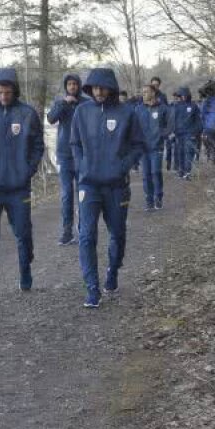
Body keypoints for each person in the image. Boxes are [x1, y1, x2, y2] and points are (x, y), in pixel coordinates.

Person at [70, 67, 145, 308]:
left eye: (103, 88)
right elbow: (74, 143)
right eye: (95, 88)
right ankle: (92, 289)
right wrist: (81, 165)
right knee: (86, 235)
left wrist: (122, 166)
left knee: (118, 233)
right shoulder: (82, 111)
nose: (99, 92)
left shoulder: (127, 113)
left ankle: (113, 271)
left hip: (116, 186)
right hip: (89, 185)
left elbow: (138, 145)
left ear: (111, 88)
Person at [0, 68, 44, 308]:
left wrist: (28, 170)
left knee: (23, 233)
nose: (4, 96)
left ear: (15, 90)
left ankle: (25, 270)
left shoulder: (27, 114)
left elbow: (38, 146)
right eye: (0, 92)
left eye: (8, 92)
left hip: (18, 188)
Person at [46, 72, 90, 245]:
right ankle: (67, 231)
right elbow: (51, 119)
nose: (72, 87)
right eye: (69, 84)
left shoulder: (86, 104)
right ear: (66, 87)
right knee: (66, 194)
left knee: (82, 193)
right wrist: (64, 103)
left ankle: (83, 227)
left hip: (81, 154)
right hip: (64, 154)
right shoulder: (60, 103)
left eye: (75, 84)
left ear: (79, 86)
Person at [136, 85, 172, 210]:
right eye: (142, 92)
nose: (143, 94)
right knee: (146, 175)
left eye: (146, 92)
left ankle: (158, 197)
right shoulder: (138, 109)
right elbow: (134, 126)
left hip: (157, 147)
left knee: (155, 172)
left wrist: (163, 135)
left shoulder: (163, 108)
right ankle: (149, 200)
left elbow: (170, 124)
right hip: (143, 148)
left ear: (153, 93)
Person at [172, 86, 202, 178]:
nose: (183, 96)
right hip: (179, 133)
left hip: (190, 133)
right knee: (180, 153)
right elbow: (173, 120)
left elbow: (198, 121)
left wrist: (196, 132)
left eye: (184, 95)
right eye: (181, 95)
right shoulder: (176, 106)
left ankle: (187, 172)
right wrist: (173, 131)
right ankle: (181, 172)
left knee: (189, 152)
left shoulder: (193, 106)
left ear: (188, 95)